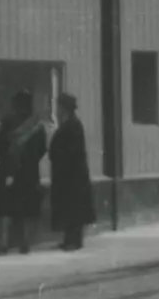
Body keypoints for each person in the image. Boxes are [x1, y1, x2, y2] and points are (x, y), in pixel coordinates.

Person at [0, 91, 48, 255]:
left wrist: (6, 160)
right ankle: (25, 242)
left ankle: (2, 243)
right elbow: (42, 149)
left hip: (8, 170)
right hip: (28, 172)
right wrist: (29, 161)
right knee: (26, 208)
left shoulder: (7, 122)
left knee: (4, 208)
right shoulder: (37, 125)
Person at [49, 93, 96, 251]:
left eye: (60, 107)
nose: (58, 110)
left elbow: (72, 151)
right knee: (70, 208)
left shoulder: (73, 125)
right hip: (69, 175)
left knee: (73, 208)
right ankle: (70, 239)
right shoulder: (69, 124)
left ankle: (74, 241)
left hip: (73, 176)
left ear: (65, 108)